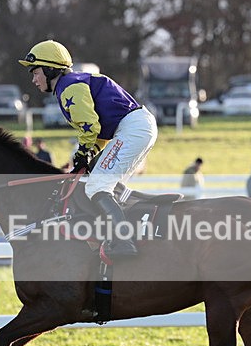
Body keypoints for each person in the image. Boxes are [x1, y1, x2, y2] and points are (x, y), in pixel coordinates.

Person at [19, 40, 157, 258]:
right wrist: (88, 155)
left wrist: (83, 153)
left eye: (35, 72)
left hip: (132, 129)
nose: (33, 79)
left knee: (97, 186)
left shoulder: (69, 87)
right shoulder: (70, 85)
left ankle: (123, 242)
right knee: (106, 185)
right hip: (135, 127)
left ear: (50, 69)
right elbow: (99, 133)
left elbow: (90, 126)